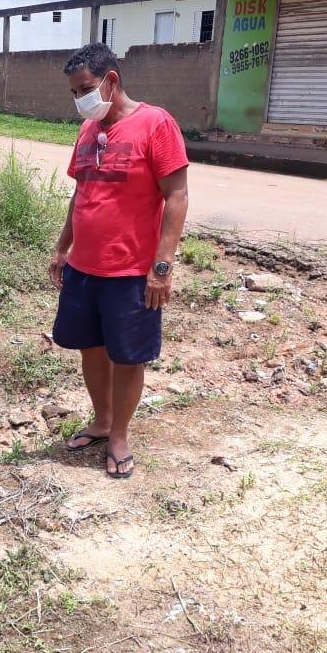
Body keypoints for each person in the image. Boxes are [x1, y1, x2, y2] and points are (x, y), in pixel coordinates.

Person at [49, 43, 189, 479]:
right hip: (85, 268)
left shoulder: (155, 123)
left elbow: (177, 196)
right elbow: (81, 192)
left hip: (130, 272)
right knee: (91, 348)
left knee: (128, 357)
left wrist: (161, 266)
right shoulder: (89, 131)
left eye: (86, 89)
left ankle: (121, 435)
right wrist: (62, 247)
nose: (80, 100)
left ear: (111, 80)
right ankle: (102, 420)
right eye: (74, 92)